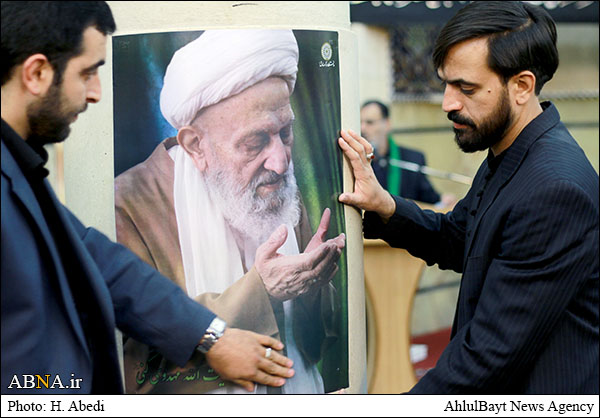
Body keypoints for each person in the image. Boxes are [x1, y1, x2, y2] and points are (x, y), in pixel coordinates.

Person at [1, 1, 295, 394]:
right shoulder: (130, 200)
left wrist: (212, 338)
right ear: (37, 73)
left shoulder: (18, 166)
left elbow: (105, 266)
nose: (95, 93)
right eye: (86, 73)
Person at [339, 1, 598, 394]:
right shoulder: (510, 151)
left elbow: (488, 356)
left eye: (467, 88)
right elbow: (459, 239)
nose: (448, 103)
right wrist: (384, 205)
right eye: (446, 83)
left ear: (522, 86)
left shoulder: (553, 189)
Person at [114, 29, 346, 394]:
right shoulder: (130, 206)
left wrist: (311, 288)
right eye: (255, 141)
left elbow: (315, 347)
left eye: (285, 133)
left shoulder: (279, 185)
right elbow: (133, 373)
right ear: (196, 146)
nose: (281, 162)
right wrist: (261, 291)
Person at [360, 100, 443, 205]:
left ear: (387, 124)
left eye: (370, 123)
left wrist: (443, 201)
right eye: (360, 122)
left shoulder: (413, 159)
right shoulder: (358, 160)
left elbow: (430, 200)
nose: (362, 128)